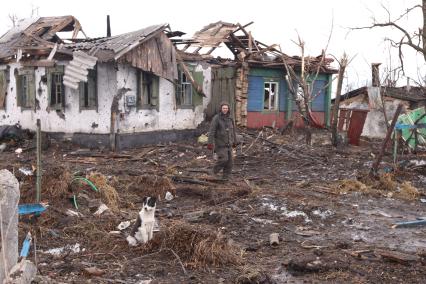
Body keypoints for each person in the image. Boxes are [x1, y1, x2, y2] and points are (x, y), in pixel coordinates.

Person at [207, 102, 237, 180]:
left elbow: (233, 131)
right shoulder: (216, 118)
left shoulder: (230, 118)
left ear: (228, 109)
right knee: (224, 159)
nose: (225, 110)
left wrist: (235, 141)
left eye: (226, 108)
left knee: (230, 163)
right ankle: (213, 172)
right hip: (220, 144)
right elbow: (212, 131)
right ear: (221, 109)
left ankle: (226, 178)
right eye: (224, 108)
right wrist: (210, 143)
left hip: (229, 144)